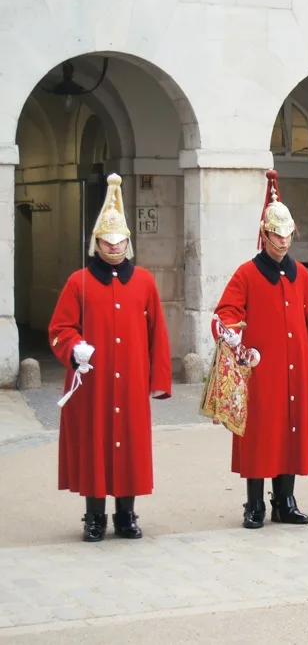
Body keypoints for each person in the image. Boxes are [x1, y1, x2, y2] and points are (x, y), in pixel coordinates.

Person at [49, 173, 172, 542]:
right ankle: (93, 517)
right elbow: (60, 328)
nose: (114, 247)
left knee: (129, 447)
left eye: (120, 241)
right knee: (94, 445)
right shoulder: (78, 282)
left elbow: (157, 336)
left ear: (128, 243)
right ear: (97, 241)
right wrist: (73, 348)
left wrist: (159, 381)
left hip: (131, 381)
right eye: (108, 240)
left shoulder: (145, 282)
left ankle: (126, 514)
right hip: (92, 382)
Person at [213, 170, 308, 529]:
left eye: (287, 234)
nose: (282, 240)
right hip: (260, 371)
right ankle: (255, 503)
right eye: (276, 233)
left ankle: (285, 500)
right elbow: (226, 312)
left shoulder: (301, 274)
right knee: (259, 438)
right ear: (264, 234)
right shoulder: (246, 273)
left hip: (293, 371)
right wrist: (231, 334)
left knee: (290, 434)